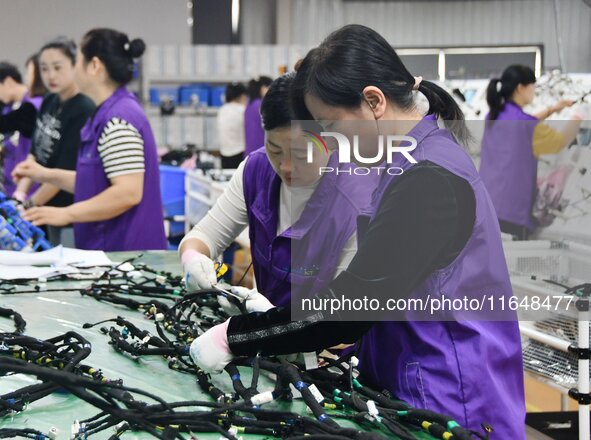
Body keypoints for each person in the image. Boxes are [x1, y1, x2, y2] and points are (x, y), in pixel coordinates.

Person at [188, 25, 526, 439]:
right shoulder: (405, 161)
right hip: (411, 386)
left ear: (374, 101)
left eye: (331, 123)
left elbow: (349, 307)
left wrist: (233, 337)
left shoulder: (428, 180)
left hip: (451, 399)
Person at [181, 72, 373, 310]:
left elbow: (344, 319)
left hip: (326, 345)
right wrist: (194, 258)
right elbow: (204, 236)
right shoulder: (256, 170)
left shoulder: (358, 205)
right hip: (267, 339)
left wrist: (270, 323)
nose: (286, 167)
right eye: (275, 149)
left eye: (302, 154)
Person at [12, 28, 167, 252]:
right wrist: (44, 174)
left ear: (94, 66)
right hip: (110, 253)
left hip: (126, 254)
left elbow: (127, 193)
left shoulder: (118, 120)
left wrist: (66, 213)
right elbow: (93, 181)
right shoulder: (105, 113)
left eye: (77, 61)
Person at [479, 65, 582, 240]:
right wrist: (578, 117)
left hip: (487, 207)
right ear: (521, 88)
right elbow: (559, 141)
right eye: (532, 86)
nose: (534, 91)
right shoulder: (527, 125)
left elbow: (527, 123)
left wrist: (554, 109)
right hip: (512, 214)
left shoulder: (494, 115)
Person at [13, 37, 95, 247]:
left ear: (75, 65)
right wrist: (20, 195)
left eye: (58, 68)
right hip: (44, 208)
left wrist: (29, 204)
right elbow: (35, 154)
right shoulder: (49, 101)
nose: (51, 75)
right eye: (44, 68)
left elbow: (63, 170)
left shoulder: (83, 108)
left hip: (69, 212)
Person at [0, 62, 43, 195]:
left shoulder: (34, 106)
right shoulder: (8, 107)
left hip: (31, 187)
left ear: (8, 82)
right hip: (12, 184)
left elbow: (8, 123)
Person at [217, 82, 247, 169]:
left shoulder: (222, 110)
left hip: (224, 154)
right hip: (240, 154)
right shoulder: (243, 110)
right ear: (242, 96)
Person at [244, 76, 272, 156]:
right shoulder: (262, 105)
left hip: (250, 151)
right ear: (263, 88)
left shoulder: (249, 105)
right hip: (261, 150)